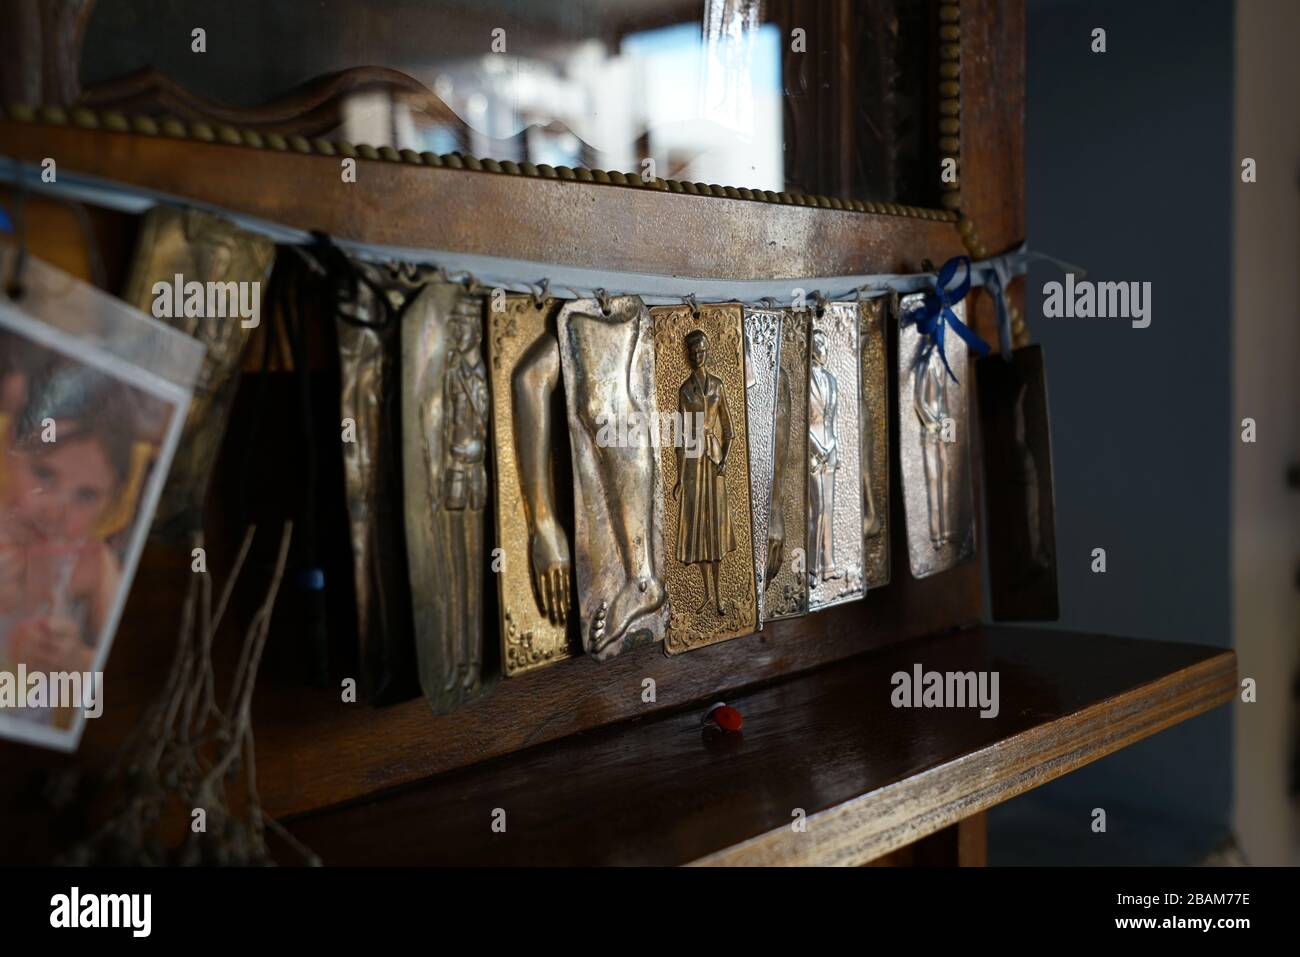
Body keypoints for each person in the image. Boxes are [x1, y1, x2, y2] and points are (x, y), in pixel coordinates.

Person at [0, 354, 147, 727]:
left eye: (86, 496)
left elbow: (124, 675)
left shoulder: (92, 564)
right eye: (45, 474)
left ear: (111, 502)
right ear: (6, 449)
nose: (56, 510)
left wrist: (74, 661)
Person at [673, 329, 737, 615]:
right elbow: (678, 437)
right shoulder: (685, 390)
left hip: (713, 462)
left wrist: (724, 460)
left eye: (702, 351)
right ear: (687, 355)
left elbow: (731, 432)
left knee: (717, 528)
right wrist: (677, 478)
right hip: (692, 463)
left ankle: (720, 594)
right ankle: (707, 595)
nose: (698, 356)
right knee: (698, 528)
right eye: (693, 352)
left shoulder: (719, 386)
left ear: (707, 351)